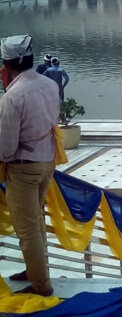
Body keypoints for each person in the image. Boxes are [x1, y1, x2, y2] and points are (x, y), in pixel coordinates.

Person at [0, 35, 60, 296]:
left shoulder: (13, 96)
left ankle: (41, 285)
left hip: (23, 168)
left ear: (6, 64)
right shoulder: (49, 84)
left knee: (27, 230)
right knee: (35, 220)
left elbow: (6, 149)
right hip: (47, 160)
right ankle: (35, 271)